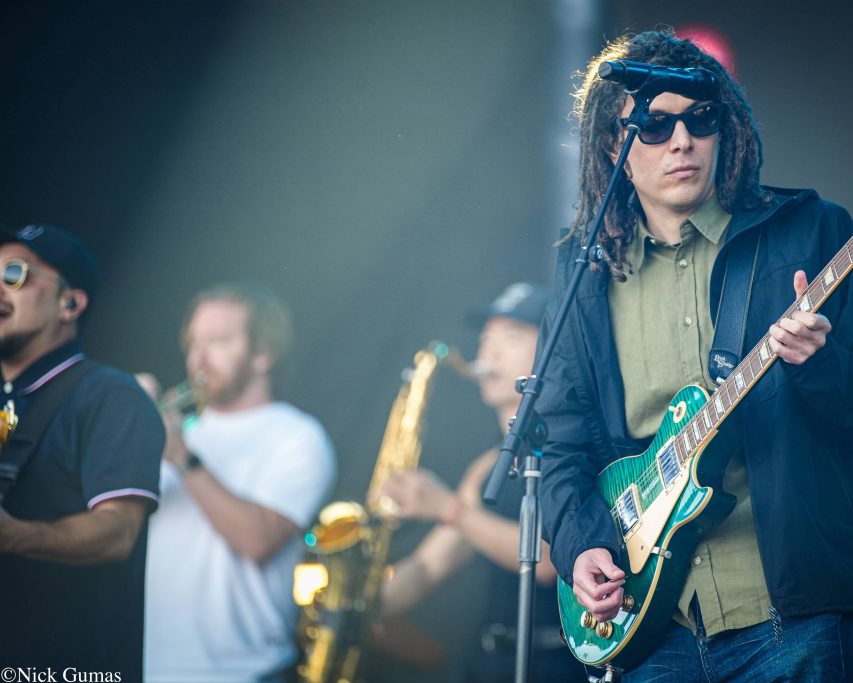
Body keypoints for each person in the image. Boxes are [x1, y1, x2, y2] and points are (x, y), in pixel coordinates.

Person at [537, 30, 853, 681]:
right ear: (613, 147)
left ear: (725, 128)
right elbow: (559, 442)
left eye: (700, 119)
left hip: (790, 615)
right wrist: (580, 545)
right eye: (655, 126)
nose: (682, 141)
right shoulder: (585, 273)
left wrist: (818, 363)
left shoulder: (811, 231)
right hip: (654, 626)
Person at [377, 282, 583, 683]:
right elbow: (429, 565)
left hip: (558, 665)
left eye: (510, 338)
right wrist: (358, 609)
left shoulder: (571, 448)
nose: (488, 354)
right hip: (490, 662)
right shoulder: (486, 466)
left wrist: (447, 508)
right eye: (486, 339)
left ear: (551, 349)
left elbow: (546, 561)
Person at [141, 282, 337, 683]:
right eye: (193, 343)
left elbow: (258, 541)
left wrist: (183, 459)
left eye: (218, 341)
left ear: (263, 354)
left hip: (246, 672)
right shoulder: (180, 431)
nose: (199, 358)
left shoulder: (297, 436)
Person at [0, 224, 165, 679]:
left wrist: (12, 535)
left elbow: (117, 533)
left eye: (14, 274)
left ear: (69, 304)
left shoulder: (111, 395)